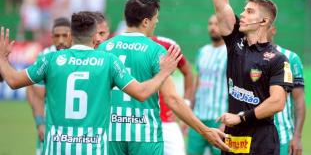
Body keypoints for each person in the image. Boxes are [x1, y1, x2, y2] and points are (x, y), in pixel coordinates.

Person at [0, 12, 181, 154]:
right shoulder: (109, 62)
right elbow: (141, 93)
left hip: (56, 148)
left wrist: (2, 58)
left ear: (70, 36)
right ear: (95, 37)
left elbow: (13, 80)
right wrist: (163, 73)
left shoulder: (50, 60)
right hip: (93, 148)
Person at [98, 0, 229, 155]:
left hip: (111, 133)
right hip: (145, 134)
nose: (157, 22)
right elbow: (172, 99)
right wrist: (206, 131)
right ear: (146, 22)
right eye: (155, 18)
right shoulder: (156, 50)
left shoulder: (103, 48)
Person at [207, 0, 293, 154]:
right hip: (232, 137)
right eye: (244, 10)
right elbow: (221, 4)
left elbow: (277, 102)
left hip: (261, 138)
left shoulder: (278, 59)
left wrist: (241, 117)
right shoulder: (235, 40)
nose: (242, 14)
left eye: (250, 11)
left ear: (264, 22)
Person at [26, 17, 72, 155]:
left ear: (72, 36)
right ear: (51, 37)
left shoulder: (82, 55)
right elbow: (35, 94)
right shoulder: (44, 58)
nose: (61, 40)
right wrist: (40, 122)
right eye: (57, 36)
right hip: (50, 123)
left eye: (65, 35)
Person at [187, 14, 228, 155]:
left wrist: (227, 122)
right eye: (210, 24)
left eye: (217, 24)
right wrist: (189, 113)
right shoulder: (202, 51)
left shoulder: (232, 53)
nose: (213, 27)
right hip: (198, 117)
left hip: (219, 117)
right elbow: (197, 84)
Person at [151, 35, 194, 155]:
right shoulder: (122, 45)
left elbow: (188, 72)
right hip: (138, 121)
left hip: (166, 121)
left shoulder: (167, 45)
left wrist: (186, 104)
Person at [268, 27, 306, 155]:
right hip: (252, 136)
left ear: (273, 30)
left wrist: (297, 137)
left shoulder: (291, 58)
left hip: (283, 137)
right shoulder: (246, 57)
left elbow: (299, 99)